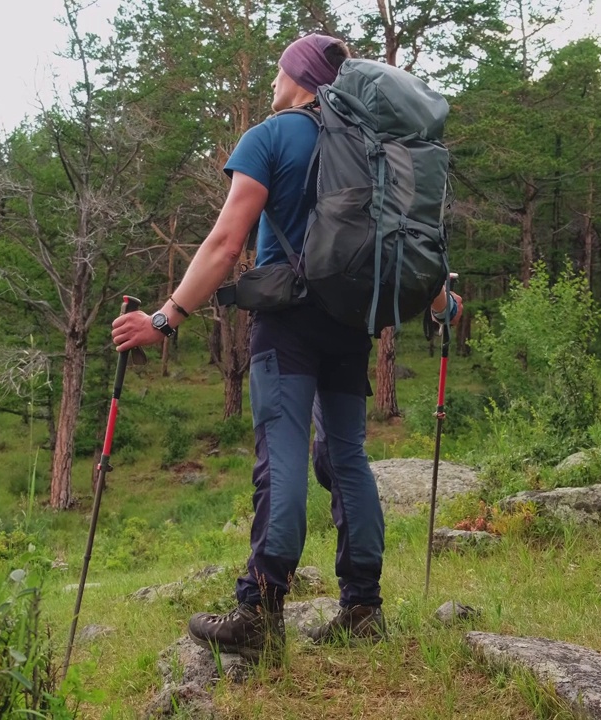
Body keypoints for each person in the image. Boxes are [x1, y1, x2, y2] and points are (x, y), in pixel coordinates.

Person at [111, 34, 462, 663]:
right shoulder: (369, 143)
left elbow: (225, 243)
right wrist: (443, 306)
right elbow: (408, 240)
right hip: (351, 324)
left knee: (282, 454)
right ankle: (362, 605)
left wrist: (166, 320)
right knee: (348, 457)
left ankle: (260, 610)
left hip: (288, 325)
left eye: (279, 69)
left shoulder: (272, 137)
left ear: (297, 77)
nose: (274, 80)